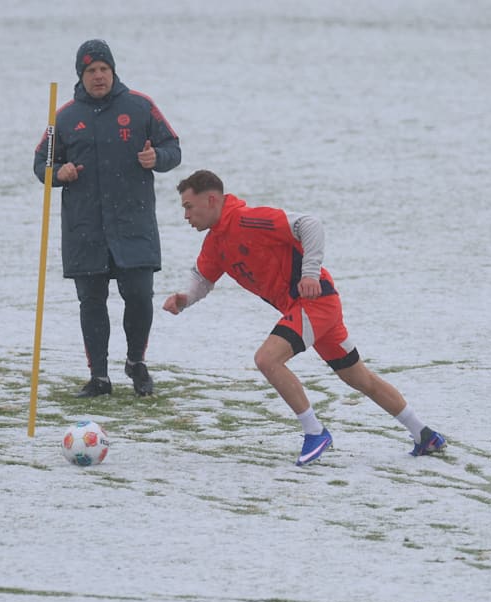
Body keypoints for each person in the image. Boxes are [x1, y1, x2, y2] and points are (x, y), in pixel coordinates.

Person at [162, 170, 447, 466]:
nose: (185, 215)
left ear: (211, 200)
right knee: (359, 378)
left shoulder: (249, 219)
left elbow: (309, 224)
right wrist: (185, 298)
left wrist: (310, 273)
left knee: (267, 359)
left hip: (315, 303)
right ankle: (425, 435)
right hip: (310, 309)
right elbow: (203, 277)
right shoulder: (215, 243)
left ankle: (315, 432)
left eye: (188, 206)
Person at [34, 39, 181, 398]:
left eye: (103, 69)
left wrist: (156, 159)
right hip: (86, 230)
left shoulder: (140, 106)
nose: (98, 76)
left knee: (139, 296)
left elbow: (173, 148)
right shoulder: (65, 117)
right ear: (81, 76)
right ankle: (99, 377)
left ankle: (136, 362)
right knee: (92, 302)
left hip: (134, 225)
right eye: (91, 71)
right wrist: (59, 172)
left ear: (113, 72)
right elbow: (41, 165)